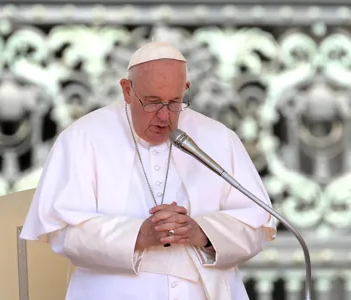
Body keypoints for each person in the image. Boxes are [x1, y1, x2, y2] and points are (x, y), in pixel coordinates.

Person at [20, 41, 277, 300]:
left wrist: (200, 232)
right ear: (127, 91)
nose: (165, 117)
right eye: (152, 102)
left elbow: (256, 227)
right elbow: (62, 232)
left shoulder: (219, 138)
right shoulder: (82, 138)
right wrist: (139, 235)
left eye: (174, 102)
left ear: (186, 89)